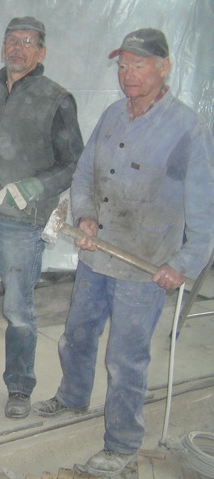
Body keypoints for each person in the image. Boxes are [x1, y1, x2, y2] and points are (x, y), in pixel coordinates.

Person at [32, 28, 214, 476]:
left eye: (139, 65)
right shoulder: (113, 114)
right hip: (96, 255)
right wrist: (86, 216)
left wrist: (185, 264)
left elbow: (204, 207)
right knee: (77, 335)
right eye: (123, 65)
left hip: (144, 266)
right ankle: (73, 397)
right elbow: (84, 174)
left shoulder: (186, 128)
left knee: (125, 358)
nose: (128, 74)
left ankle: (122, 445)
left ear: (164, 67)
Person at [0, 16, 84, 419]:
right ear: (2, 46)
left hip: (22, 222)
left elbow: (73, 163)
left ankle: (20, 386)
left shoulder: (56, 98)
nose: (17, 48)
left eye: (27, 41)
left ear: (41, 51)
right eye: (11, 40)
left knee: (19, 309)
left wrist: (35, 186)